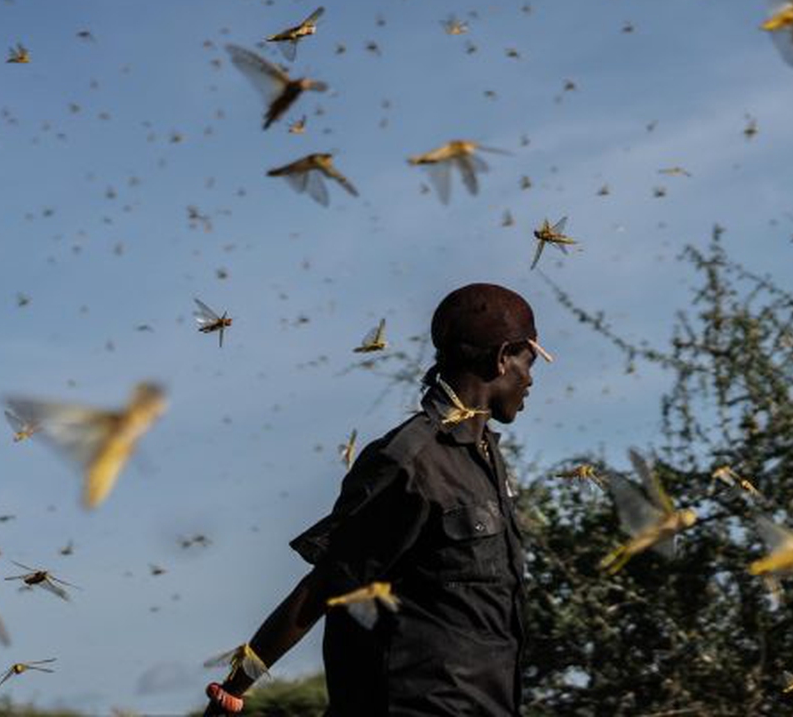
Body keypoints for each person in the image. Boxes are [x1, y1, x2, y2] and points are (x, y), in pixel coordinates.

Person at [202, 282, 553, 717]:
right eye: (528, 361)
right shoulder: (410, 462)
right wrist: (235, 688)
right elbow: (324, 585)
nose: (531, 378)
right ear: (502, 358)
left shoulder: (486, 459)